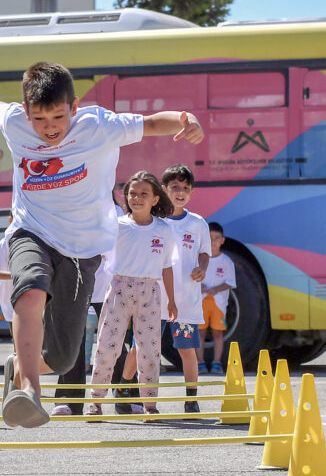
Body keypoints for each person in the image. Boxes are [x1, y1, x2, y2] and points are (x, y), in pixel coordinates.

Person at [0, 61, 203, 428]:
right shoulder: (16, 121)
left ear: (75, 107)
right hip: (31, 230)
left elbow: (149, 124)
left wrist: (183, 119)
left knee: (64, 357)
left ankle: (19, 367)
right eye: (39, 119)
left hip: (82, 250)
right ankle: (29, 392)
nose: (48, 128)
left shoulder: (98, 125)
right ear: (26, 113)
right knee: (30, 290)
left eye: (57, 117)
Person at [86, 171, 177, 420]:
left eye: (143, 194)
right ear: (126, 197)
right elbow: (97, 253)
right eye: (132, 193)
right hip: (119, 287)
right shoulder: (118, 226)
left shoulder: (164, 230)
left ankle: (149, 404)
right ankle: (96, 400)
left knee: (149, 349)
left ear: (155, 199)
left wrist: (172, 300)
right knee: (108, 344)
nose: (137, 198)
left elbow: (167, 266)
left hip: (150, 290)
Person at [55, 193, 129, 417]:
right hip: (76, 283)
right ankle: (69, 399)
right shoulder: (73, 207)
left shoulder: (116, 213)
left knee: (115, 343)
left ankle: (125, 396)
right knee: (73, 342)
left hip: (108, 286)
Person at [158, 164, 211, 413]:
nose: (180, 193)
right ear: (164, 189)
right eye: (175, 187)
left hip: (186, 300)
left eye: (186, 189)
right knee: (143, 348)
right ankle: (131, 394)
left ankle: (191, 398)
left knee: (187, 350)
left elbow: (204, 253)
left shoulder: (198, 223)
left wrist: (202, 268)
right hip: (154, 298)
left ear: (192, 192)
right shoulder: (155, 221)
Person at [196, 221, 235, 374]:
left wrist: (215, 289)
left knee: (218, 332)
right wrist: (200, 287)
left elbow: (230, 282)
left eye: (217, 238)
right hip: (200, 302)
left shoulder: (226, 261)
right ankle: (200, 362)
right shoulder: (199, 259)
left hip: (219, 303)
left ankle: (217, 362)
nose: (213, 242)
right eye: (209, 238)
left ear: (222, 240)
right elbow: (192, 278)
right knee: (200, 332)